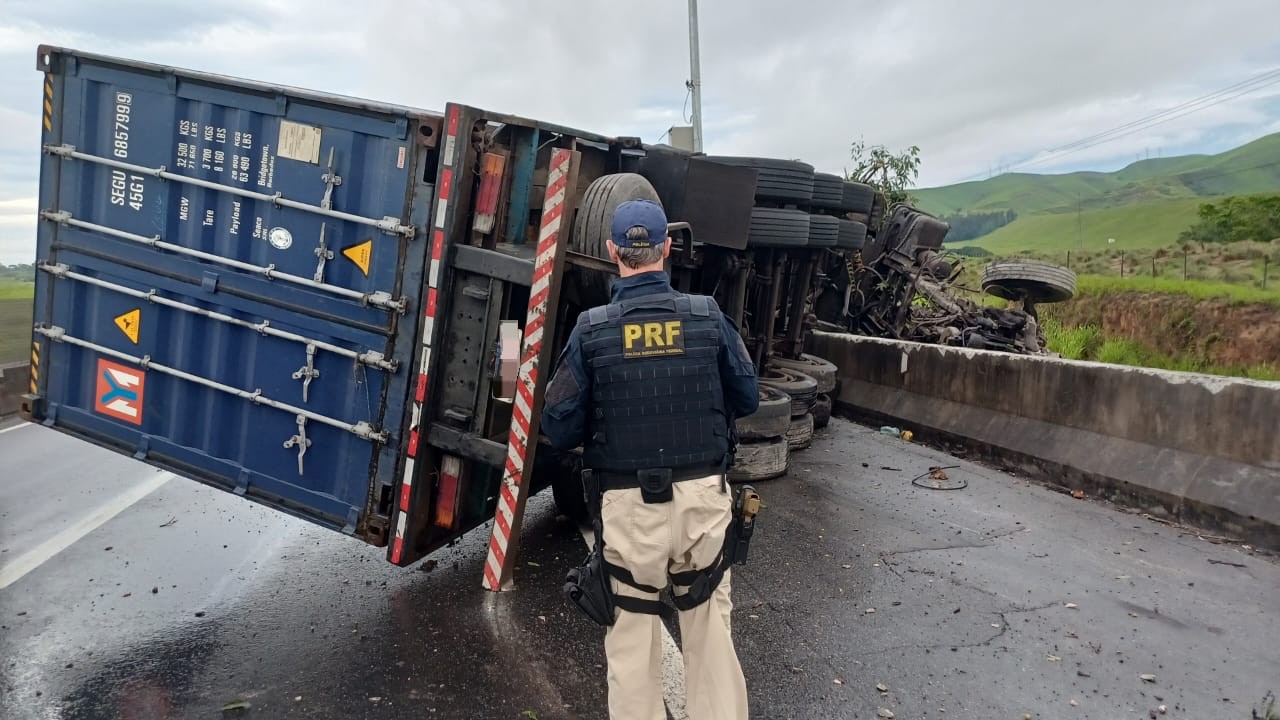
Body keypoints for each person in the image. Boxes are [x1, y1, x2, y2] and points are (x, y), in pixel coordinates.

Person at [543, 198, 759, 720]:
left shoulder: (592, 331)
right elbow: (749, 397)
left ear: (612, 251)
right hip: (703, 503)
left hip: (628, 508)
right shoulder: (707, 318)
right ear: (666, 249)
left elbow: (557, 425)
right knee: (708, 630)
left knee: (632, 637)